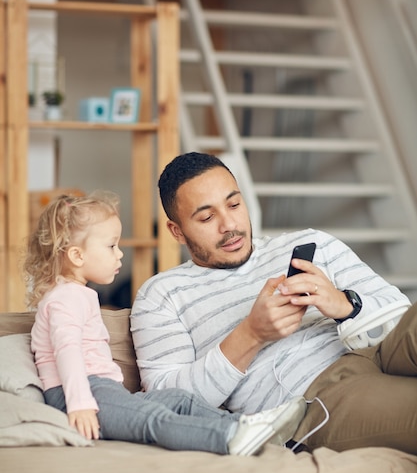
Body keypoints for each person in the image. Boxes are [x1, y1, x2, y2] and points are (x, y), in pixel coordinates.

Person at [131, 152, 417, 455]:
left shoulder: (312, 243)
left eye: (234, 204)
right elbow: (166, 400)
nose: (229, 224)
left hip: (382, 348)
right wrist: (251, 334)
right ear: (177, 231)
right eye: (206, 217)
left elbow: (399, 313)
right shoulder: (161, 295)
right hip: (320, 393)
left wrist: (344, 305)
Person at [25, 190, 306, 456]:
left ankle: (257, 427)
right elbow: (67, 350)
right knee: (152, 420)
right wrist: (80, 404)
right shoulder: (64, 299)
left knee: (178, 400)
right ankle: (230, 436)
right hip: (80, 393)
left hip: (100, 391)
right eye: (111, 246)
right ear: (77, 256)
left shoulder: (76, 295)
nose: (120, 253)